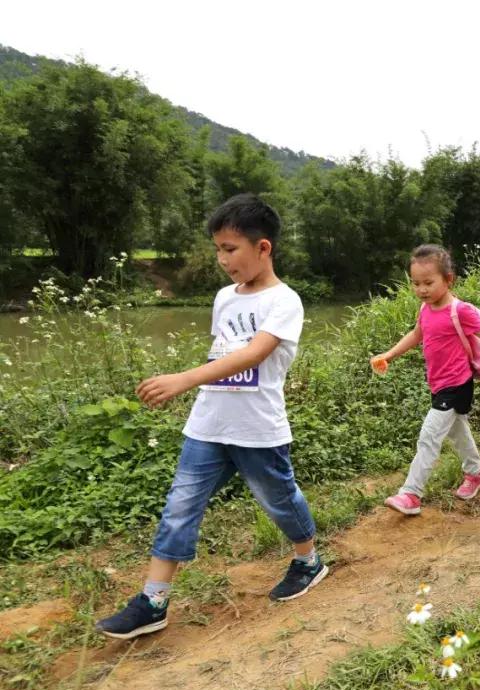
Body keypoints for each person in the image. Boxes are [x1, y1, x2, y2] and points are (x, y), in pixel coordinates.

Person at [95, 194, 325, 639]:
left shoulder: (286, 301)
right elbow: (222, 354)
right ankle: (153, 601)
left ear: (263, 249)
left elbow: (254, 354)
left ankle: (308, 560)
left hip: (258, 428)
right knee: (180, 505)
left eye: (230, 249)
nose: (222, 259)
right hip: (208, 424)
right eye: (218, 248)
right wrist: (196, 387)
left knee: (279, 500)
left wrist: (183, 378)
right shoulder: (223, 297)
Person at [372, 245, 480, 516]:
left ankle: (411, 494)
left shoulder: (460, 311)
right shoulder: (425, 309)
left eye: (428, 282)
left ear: (449, 279)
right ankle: (476, 473)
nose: (421, 289)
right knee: (457, 430)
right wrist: (388, 355)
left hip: (457, 384)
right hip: (437, 384)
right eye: (416, 283)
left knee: (429, 437)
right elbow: (416, 335)